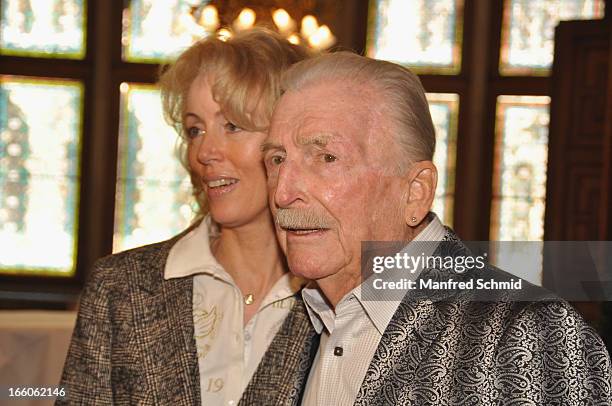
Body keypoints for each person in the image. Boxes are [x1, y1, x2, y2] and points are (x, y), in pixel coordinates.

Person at [240, 52, 612, 404]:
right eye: (276, 159)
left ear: (415, 193)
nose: (283, 192)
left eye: (326, 157)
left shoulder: (530, 335)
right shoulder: (289, 326)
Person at [58, 30, 309, 405]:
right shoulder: (120, 288)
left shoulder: (341, 293)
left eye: (232, 126)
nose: (204, 151)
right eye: (195, 130)